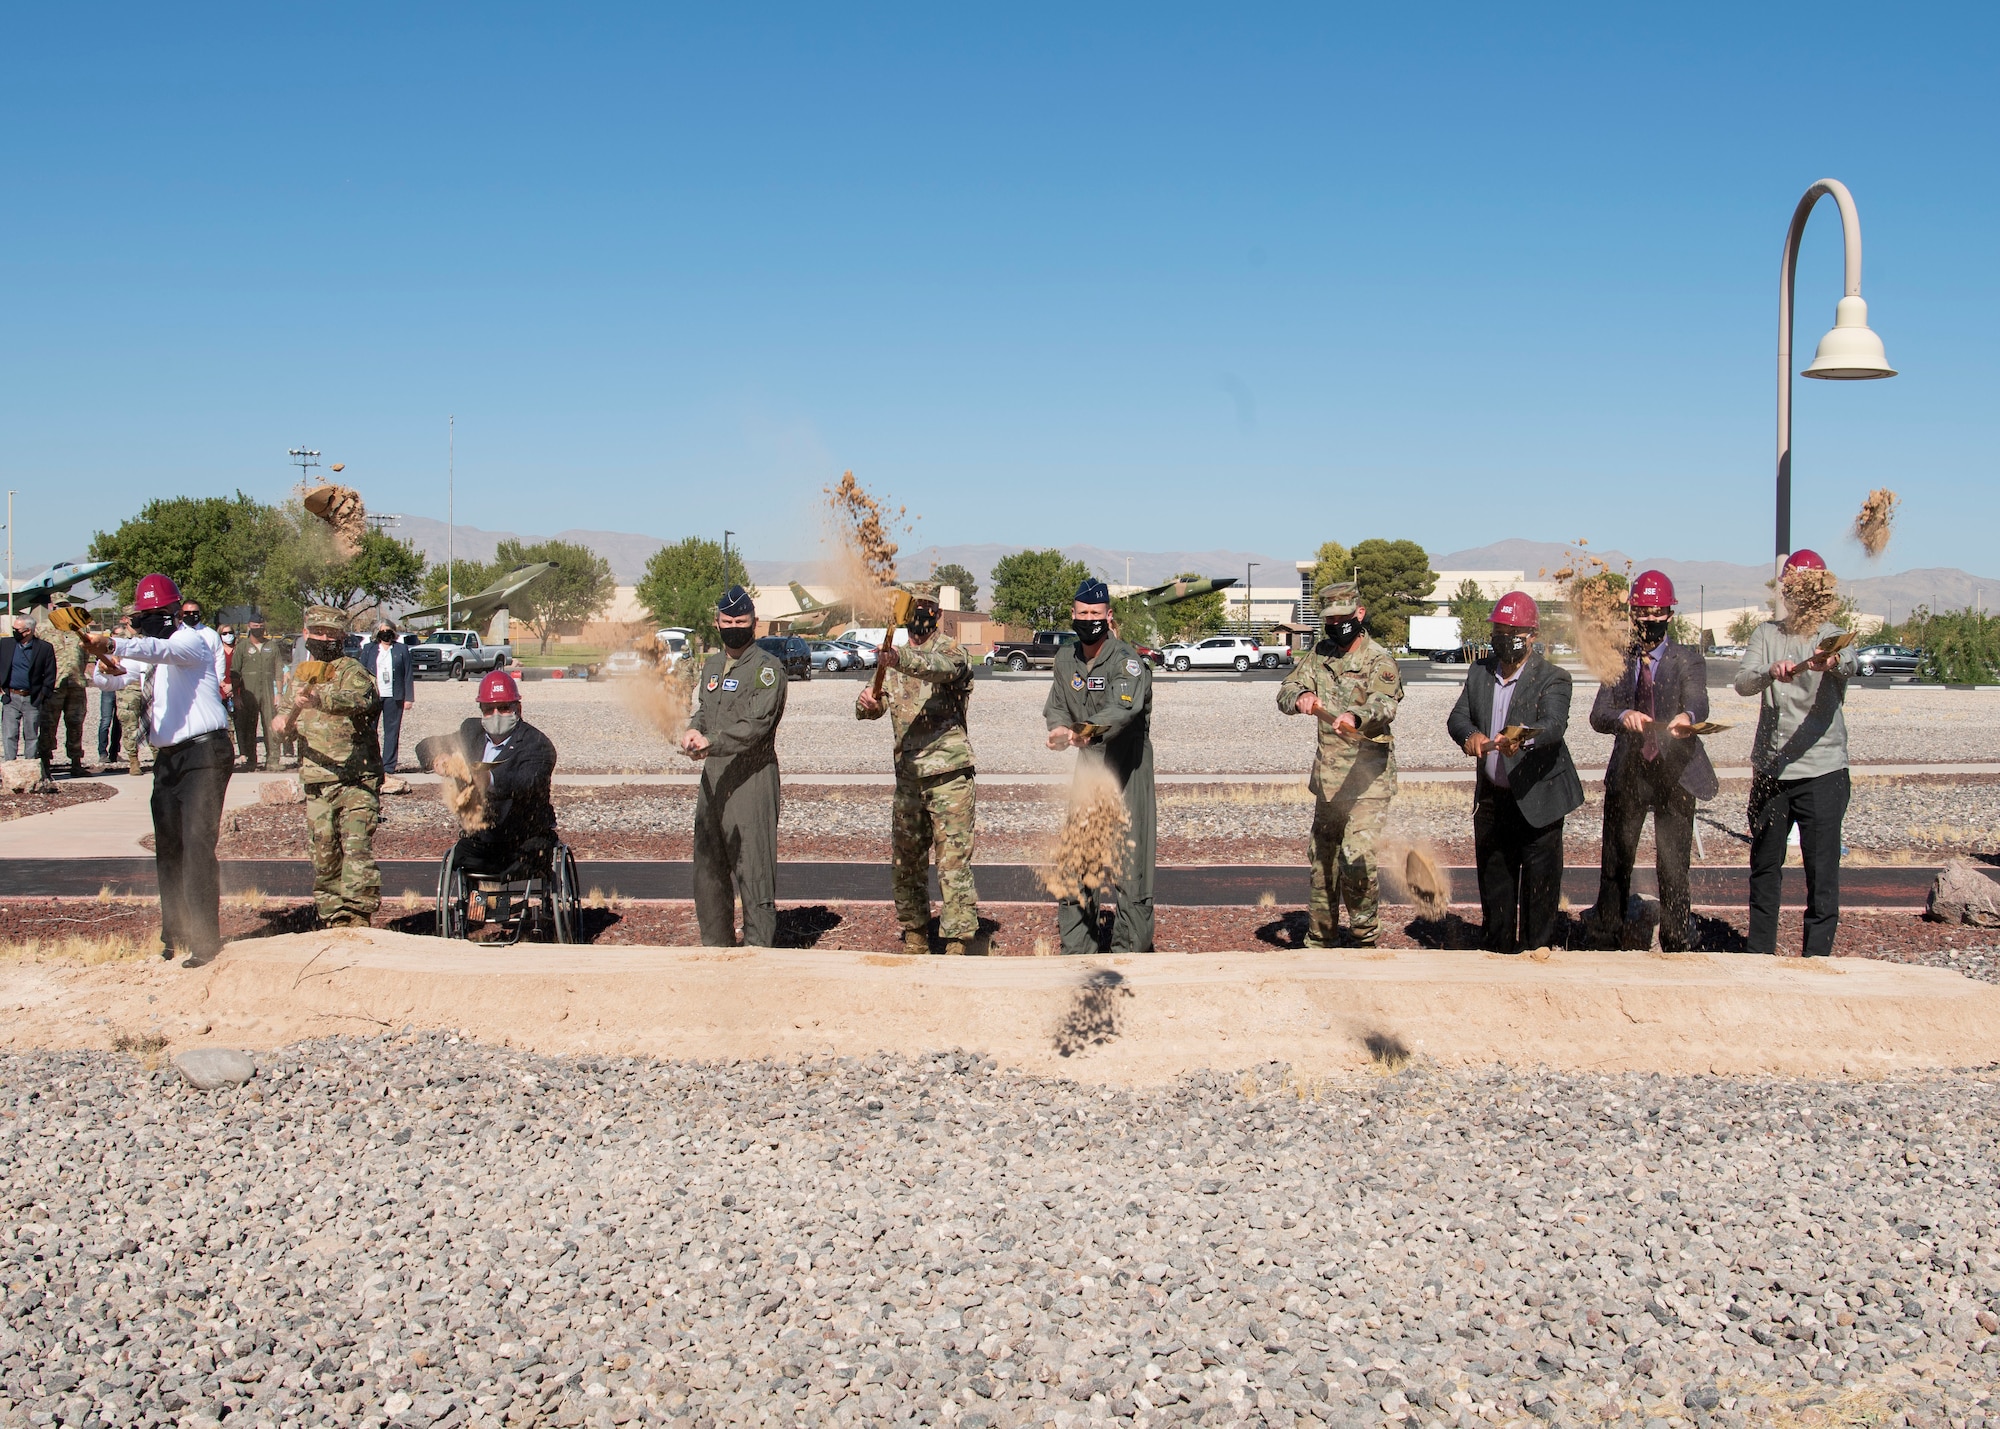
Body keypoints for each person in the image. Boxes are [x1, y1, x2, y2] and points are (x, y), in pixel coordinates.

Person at [82, 574, 234, 965]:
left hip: (204, 753)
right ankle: (176, 934)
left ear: (174, 611)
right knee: (168, 847)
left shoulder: (190, 642)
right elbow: (114, 677)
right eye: (143, 614)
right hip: (168, 758)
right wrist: (101, 660)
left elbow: (151, 649)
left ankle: (205, 940)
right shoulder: (149, 654)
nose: (150, 618)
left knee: (197, 846)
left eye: (157, 612)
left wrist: (114, 642)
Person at [1446, 592, 1584, 953]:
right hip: (1494, 803)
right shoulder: (1479, 672)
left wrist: (1520, 740)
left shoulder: (1554, 677)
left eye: (1514, 631)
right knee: (1497, 894)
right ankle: (1498, 957)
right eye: (1499, 630)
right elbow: (1458, 717)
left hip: (1539, 801)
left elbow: (1553, 725)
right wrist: (1470, 735)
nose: (1505, 637)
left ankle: (1538, 963)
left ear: (1532, 635)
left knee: (1539, 897)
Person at [1585, 571, 1716, 951]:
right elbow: (1598, 714)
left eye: (1657, 613)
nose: (1649, 620)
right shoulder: (1618, 661)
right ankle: (1606, 935)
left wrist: (1687, 718)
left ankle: (1676, 939)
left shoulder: (1688, 660)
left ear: (1670, 616)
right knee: (1615, 861)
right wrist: (1622, 715)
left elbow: (1698, 700)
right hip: (1629, 773)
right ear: (1633, 615)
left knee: (1674, 867)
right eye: (1642, 612)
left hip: (1675, 775)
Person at [1735, 549, 1857, 957]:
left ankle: (1816, 963)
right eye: (1792, 588)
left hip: (1823, 773)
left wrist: (1833, 661)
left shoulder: (1834, 634)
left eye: (1808, 589)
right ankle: (1759, 957)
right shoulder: (1766, 635)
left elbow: (1850, 662)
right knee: (1765, 868)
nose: (1799, 596)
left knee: (1821, 874)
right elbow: (1742, 681)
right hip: (1771, 773)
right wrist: (1770, 671)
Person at [1276, 581, 1405, 947]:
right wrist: (1300, 696)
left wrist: (1355, 715)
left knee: (1357, 856)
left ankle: (1365, 936)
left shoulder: (1378, 660)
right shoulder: (1319, 655)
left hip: (1368, 781)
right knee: (1324, 860)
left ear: (1359, 614)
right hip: (1330, 779)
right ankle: (1321, 938)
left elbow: (1385, 705)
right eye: (1329, 619)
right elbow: (1285, 690)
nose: (1336, 625)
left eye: (1343, 618)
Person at [855, 581, 979, 955]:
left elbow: (938, 669)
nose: (919, 618)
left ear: (938, 614)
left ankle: (957, 940)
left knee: (952, 863)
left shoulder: (952, 653)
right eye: (913, 610)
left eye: (926, 610)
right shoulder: (893, 660)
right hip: (908, 778)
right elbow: (868, 706)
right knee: (906, 862)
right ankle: (915, 933)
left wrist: (897, 659)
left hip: (949, 778)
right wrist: (867, 703)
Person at [1043, 577, 1156, 954]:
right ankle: (1078, 954)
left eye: (1095, 613)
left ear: (1108, 617)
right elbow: (1058, 703)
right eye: (1082, 613)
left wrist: (1085, 733)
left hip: (1128, 773)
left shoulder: (1127, 661)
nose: (1088, 619)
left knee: (1131, 872)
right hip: (1089, 773)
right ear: (1073, 616)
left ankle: (1130, 959)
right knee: (1078, 863)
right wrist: (1058, 728)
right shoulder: (1065, 659)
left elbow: (1123, 709)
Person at [679, 585, 787, 947]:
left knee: (754, 872)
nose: (734, 626)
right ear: (717, 623)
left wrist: (713, 742)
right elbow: (705, 711)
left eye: (741, 621)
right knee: (708, 869)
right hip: (713, 778)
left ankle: (758, 954)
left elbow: (756, 724)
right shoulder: (711, 665)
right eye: (728, 621)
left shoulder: (767, 669)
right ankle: (717, 949)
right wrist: (694, 729)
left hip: (751, 779)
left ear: (754, 623)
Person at [275, 607, 383, 928]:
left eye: (331, 634)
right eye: (318, 632)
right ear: (306, 634)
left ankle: (357, 918)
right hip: (318, 781)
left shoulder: (352, 671)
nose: (324, 639)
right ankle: (334, 920)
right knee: (324, 856)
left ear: (342, 638)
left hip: (356, 781)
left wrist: (319, 698)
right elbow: (285, 726)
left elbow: (361, 700)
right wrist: (283, 722)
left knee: (356, 850)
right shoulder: (299, 678)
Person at [419, 669, 559, 879]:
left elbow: (529, 781)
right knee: (457, 858)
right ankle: (473, 904)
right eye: (488, 709)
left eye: (503, 708)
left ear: (517, 709)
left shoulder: (537, 744)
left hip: (524, 839)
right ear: (481, 710)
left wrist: (489, 779)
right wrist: (438, 757)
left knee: (531, 857)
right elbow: (425, 745)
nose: (495, 715)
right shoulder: (471, 732)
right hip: (482, 839)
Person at [36, 598, 91, 777]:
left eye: (65, 606)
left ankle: (76, 762)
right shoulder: (43, 629)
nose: (62, 609)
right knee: (48, 725)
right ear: (52, 607)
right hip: (54, 686)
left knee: (75, 724)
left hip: (76, 684)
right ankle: (45, 762)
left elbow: (86, 654)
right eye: (59, 606)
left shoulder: (80, 629)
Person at [359, 619, 414, 774]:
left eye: (389, 630)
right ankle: (371, 763)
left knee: (392, 731)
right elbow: (361, 672)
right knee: (370, 730)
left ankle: (388, 766)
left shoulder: (401, 649)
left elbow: (408, 674)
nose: (386, 633)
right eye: (383, 630)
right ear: (377, 632)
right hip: (374, 696)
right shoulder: (369, 649)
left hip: (394, 696)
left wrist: (408, 698)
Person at [230, 615, 284, 771]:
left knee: (271, 726)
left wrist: (279, 693)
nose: (258, 628)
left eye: (260, 625)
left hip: (268, 692)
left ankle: (273, 760)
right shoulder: (242, 647)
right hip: (248, 694)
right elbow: (235, 673)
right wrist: (237, 695)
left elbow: (278, 670)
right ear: (249, 626)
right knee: (249, 727)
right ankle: (251, 761)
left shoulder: (272, 646)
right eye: (255, 625)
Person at [1, 612, 55, 763]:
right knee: (9, 734)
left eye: (17, 629)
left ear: (28, 631)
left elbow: (50, 674)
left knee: (31, 735)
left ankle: (30, 766)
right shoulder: (6, 644)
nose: (14, 632)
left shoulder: (44, 648)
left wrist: (43, 695)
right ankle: (10, 767)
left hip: (33, 698)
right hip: (11, 697)